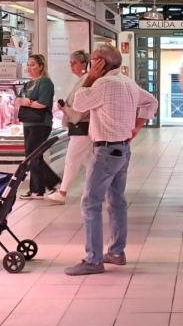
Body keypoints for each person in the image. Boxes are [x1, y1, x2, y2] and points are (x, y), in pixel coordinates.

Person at [65, 45, 158, 275]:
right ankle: (116, 251)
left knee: (90, 203)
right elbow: (151, 102)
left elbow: (78, 104)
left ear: (101, 64)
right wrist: (136, 127)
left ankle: (93, 259)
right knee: (116, 200)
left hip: (106, 151)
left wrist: (90, 78)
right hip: (123, 149)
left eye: (94, 60)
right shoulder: (127, 82)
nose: (90, 65)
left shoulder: (103, 84)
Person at [46, 50, 92, 204]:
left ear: (84, 64)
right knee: (89, 161)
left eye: (74, 62)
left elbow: (80, 111)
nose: (71, 66)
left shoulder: (86, 81)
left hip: (82, 127)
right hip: (80, 128)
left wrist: (65, 108)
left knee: (72, 159)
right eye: (70, 62)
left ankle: (62, 192)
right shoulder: (82, 80)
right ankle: (97, 189)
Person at [16, 54, 59, 200]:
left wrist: (26, 102)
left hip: (41, 124)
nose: (29, 68)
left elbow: (43, 103)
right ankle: (37, 190)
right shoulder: (28, 84)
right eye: (28, 65)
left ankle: (52, 182)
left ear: (41, 66)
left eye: (33, 64)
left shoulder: (45, 82)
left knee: (32, 155)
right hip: (28, 122)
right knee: (33, 156)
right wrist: (27, 101)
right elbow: (17, 101)